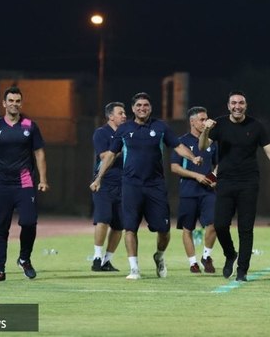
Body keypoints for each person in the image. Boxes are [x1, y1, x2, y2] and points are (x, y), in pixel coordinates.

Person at [91, 92, 202, 280]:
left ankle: (159, 256)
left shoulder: (160, 127)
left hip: (155, 186)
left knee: (164, 230)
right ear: (133, 108)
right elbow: (110, 155)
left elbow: (177, 146)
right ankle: (134, 269)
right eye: (139, 105)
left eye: (146, 105)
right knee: (130, 228)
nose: (142, 108)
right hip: (131, 185)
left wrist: (192, 157)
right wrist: (98, 178)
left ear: (150, 108)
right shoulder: (124, 129)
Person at [199, 90, 270, 282]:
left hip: (248, 182)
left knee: (245, 229)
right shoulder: (219, 124)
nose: (237, 106)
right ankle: (230, 254)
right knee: (220, 225)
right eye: (233, 103)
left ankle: (242, 270)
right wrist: (205, 130)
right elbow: (202, 147)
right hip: (225, 181)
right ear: (228, 106)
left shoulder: (256, 126)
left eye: (241, 103)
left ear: (246, 106)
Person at [0, 86, 49, 282]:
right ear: (4, 103)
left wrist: (42, 179)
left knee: (29, 222)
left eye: (18, 101)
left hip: (24, 183)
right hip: (0, 184)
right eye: (11, 101)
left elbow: (39, 153)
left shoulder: (29, 125)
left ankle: (24, 259)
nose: (14, 104)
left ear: (21, 104)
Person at [170, 106, 218, 274]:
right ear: (192, 122)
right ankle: (193, 263)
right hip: (188, 191)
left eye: (206, 119)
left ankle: (206, 256)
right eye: (202, 120)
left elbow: (218, 164)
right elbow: (174, 167)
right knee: (187, 229)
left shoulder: (212, 142)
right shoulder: (181, 142)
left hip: (208, 191)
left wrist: (213, 178)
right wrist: (196, 176)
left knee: (214, 224)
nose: (205, 123)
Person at [89, 102, 127, 272]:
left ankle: (107, 260)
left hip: (124, 184)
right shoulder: (101, 133)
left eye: (124, 113)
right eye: (121, 113)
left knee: (119, 225)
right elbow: (105, 155)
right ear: (111, 116)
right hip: (104, 183)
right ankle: (97, 258)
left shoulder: (127, 133)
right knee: (103, 219)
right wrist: (122, 149)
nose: (124, 116)